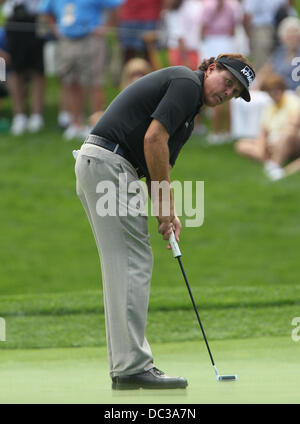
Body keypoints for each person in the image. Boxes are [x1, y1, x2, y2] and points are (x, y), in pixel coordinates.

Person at [74, 53, 255, 389]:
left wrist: (166, 215)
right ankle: (132, 367)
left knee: (122, 263)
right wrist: (164, 204)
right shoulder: (187, 83)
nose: (227, 93)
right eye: (227, 83)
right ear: (211, 68)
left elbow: (161, 162)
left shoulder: (190, 114)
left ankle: (126, 367)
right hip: (110, 163)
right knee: (133, 261)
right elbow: (153, 139)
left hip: (105, 165)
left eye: (234, 93)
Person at [38, 0, 123, 140]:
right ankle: (75, 123)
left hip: (91, 38)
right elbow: (45, 10)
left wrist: (105, 27)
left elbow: (115, 6)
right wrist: (55, 29)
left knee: (95, 82)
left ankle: (96, 127)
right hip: (66, 39)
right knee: (70, 82)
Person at [235, 73, 300, 181]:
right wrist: (261, 148)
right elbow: (263, 131)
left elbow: (292, 127)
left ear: (282, 89)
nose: (274, 94)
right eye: (270, 91)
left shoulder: (293, 102)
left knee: (287, 133)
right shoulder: (270, 107)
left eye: (276, 90)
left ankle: (274, 165)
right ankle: (269, 161)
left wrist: (275, 142)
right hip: (272, 142)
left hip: (289, 141)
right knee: (241, 144)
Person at [2, 0, 46, 135]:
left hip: (35, 20)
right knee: (15, 70)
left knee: (37, 71)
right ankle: (19, 116)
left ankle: (37, 116)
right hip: (13, 21)